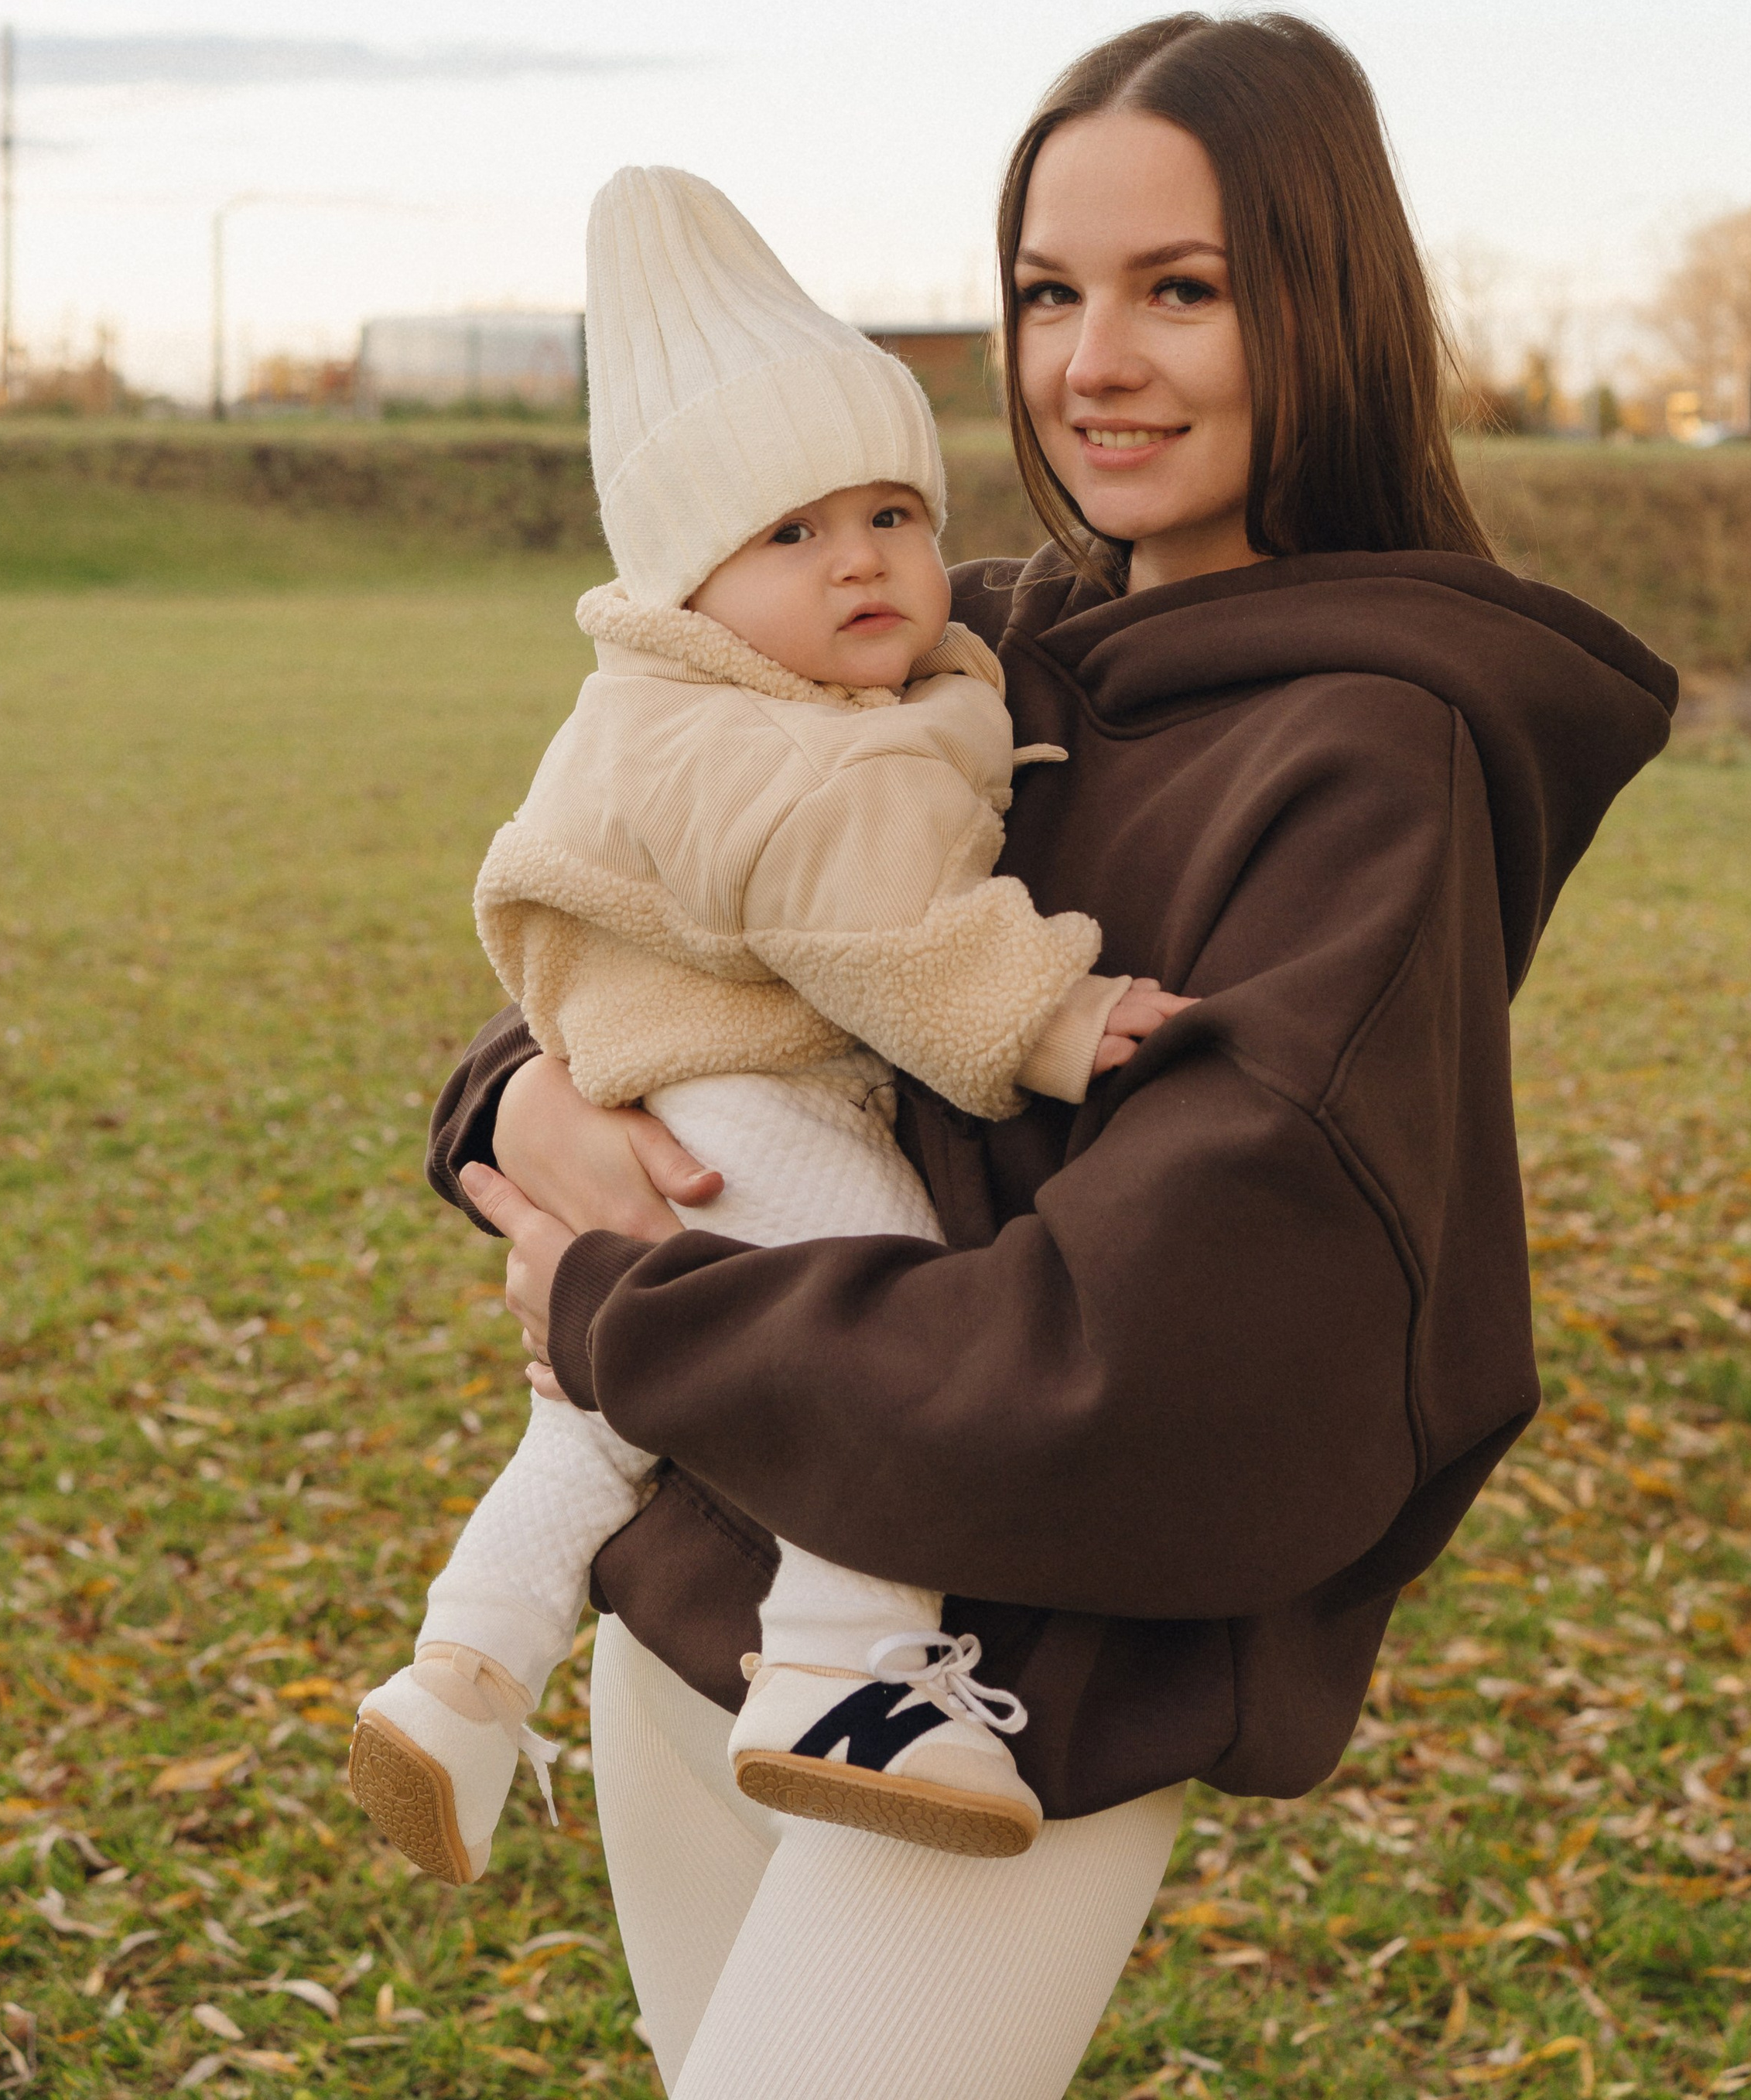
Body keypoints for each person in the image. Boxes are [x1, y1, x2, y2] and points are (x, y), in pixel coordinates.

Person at [431, 12, 1679, 2100]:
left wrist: (619, 1304)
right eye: (1047, 292)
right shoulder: (958, 630)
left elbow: (1149, 1348)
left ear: (1327, 308)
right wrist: (514, 1098)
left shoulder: (1372, 762)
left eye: (1179, 290)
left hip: (1001, 1696)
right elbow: (658, 886)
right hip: (703, 1588)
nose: (1093, 361)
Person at [351, 166, 1188, 1886]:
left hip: (656, 1100)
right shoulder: (752, 745)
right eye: (790, 536)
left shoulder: (729, 697)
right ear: (686, 582)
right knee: (887, 1309)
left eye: (887, 512)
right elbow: (873, 930)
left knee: (594, 1420)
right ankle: (842, 1666)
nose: (863, 562)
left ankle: (457, 1679)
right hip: (746, 1116)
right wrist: (1049, 1009)